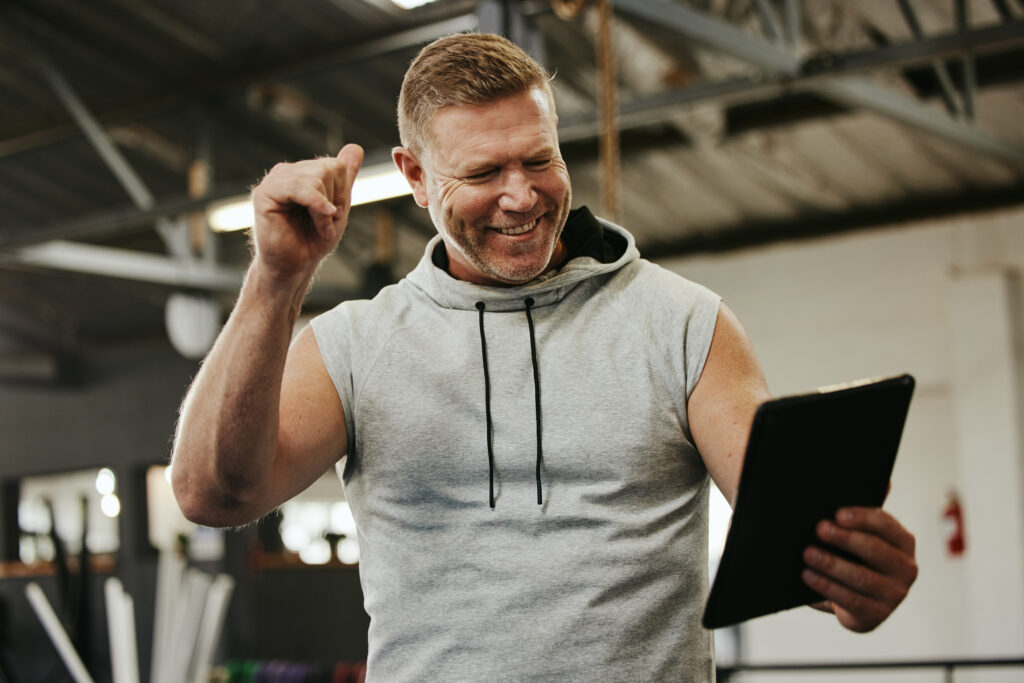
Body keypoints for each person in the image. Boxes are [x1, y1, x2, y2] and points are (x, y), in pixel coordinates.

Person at [171, 32, 918, 681]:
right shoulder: (356, 345)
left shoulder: (683, 322)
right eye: (484, 173)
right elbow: (213, 495)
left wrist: (854, 582)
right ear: (414, 177)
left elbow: (793, 538)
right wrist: (277, 278)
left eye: (539, 160)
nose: (522, 196)